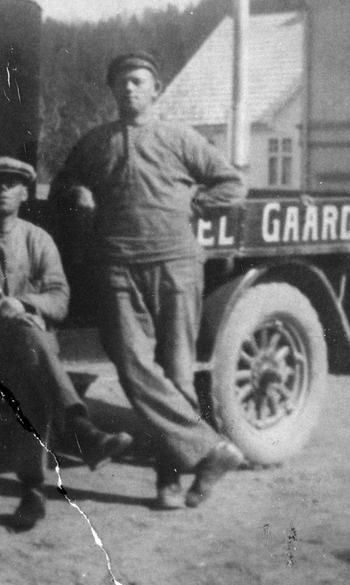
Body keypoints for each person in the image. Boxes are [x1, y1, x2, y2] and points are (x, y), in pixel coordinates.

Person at [50, 52, 248, 510]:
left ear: (156, 89)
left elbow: (232, 185)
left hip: (177, 265)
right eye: (121, 83)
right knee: (133, 365)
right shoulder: (95, 142)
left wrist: (194, 207)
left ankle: (172, 480)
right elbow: (63, 184)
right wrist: (75, 191)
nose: (130, 90)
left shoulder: (180, 137)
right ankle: (212, 451)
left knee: (178, 371)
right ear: (114, 91)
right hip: (117, 265)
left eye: (138, 82)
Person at [0, 156, 134, 531]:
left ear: (25, 193)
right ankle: (80, 432)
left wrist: (25, 303)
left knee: (29, 360)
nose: (2, 190)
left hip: (31, 350)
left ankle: (33, 489)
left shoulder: (37, 239)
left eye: (11, 183)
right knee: (29, 347)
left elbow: (59, 300)